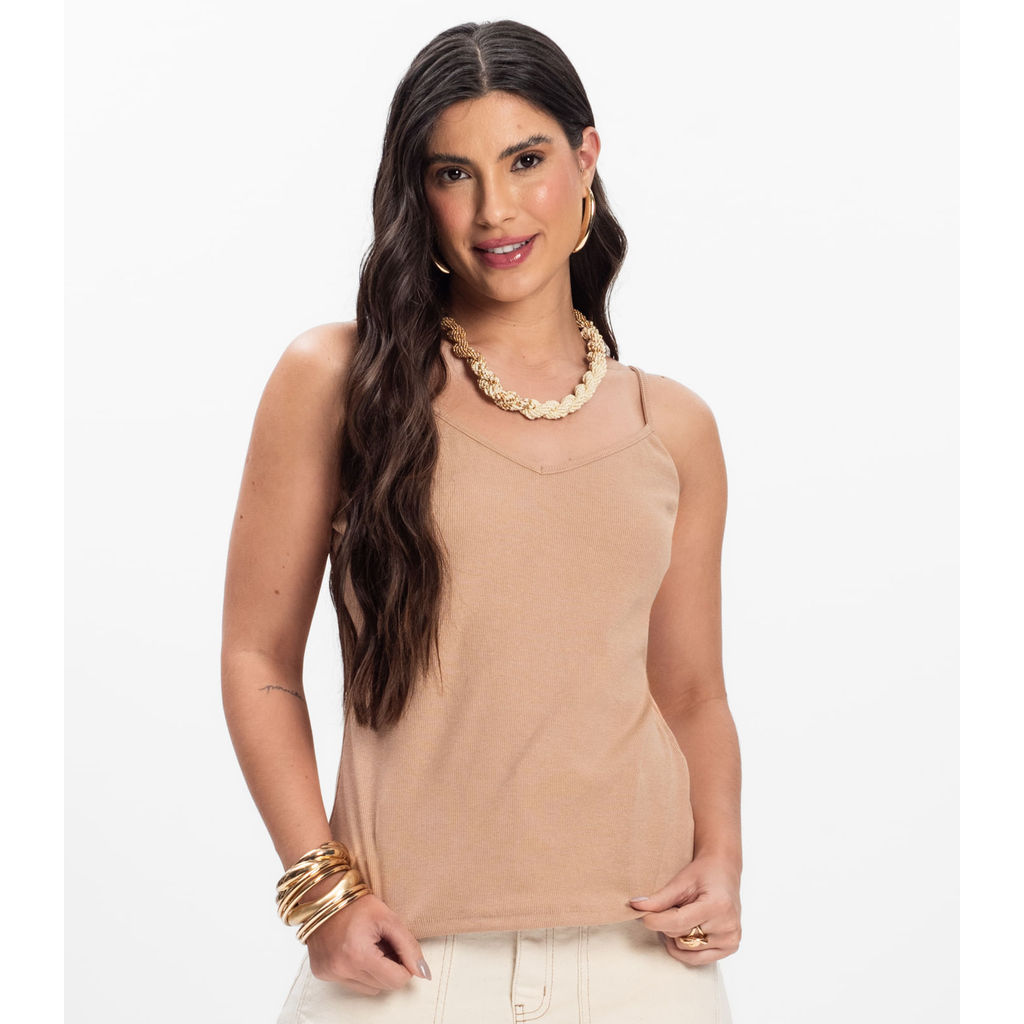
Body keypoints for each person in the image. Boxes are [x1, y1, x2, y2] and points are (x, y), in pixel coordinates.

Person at [221, 19, 742, 1024]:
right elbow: (258, 657)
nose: (495, 208)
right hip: (404, 967)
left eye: (525, 160)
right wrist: (320, 892)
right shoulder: (339, 382)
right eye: (453, 173)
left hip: (643, 961)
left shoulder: (671, 425)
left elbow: (691, 692)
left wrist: (720, 859)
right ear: (416, 193)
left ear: (586, 159)